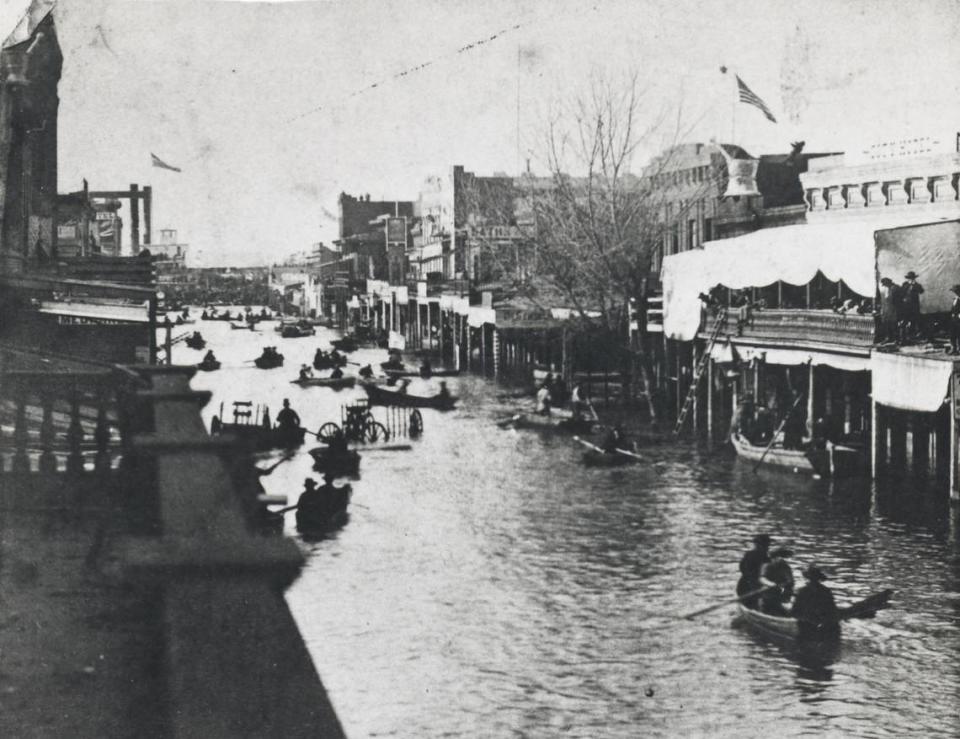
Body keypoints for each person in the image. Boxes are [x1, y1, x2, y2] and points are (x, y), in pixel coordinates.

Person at [791, 565, 839, 637]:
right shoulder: (826, 590)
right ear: (819, 578)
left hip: (808, 624)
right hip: (825, 622)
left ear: (808, 578)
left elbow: (794, 611)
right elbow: (832, 609)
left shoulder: (803, 591)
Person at [736, 534, 772, 608]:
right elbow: (744, 570)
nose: (767, 548)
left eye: (768, 546)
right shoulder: (760, 556)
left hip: (754, 585)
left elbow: (742, 568)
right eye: (766, 546)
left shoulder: (764, 557)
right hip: (746, 586)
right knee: (753, 602)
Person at [759, 548, 795, 616]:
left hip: (782, 595)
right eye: (779, 557)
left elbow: (791, 581)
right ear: (774, 558)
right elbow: (762, 578)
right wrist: (771, 584)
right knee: (768, 607)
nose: (782, 559)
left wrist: (787, 585)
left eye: (782, 557)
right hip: (768, 594)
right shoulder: (767, 566)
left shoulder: (785, 566)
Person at [899, 270, 924, 343]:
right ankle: (904, 338)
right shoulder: (905, 284)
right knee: (905, 321)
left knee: (914, 321)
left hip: (914, 306)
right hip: (906, 306)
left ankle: (912, 336)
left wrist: (915, 285)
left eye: (912, 278)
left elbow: (921, 291)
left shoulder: (917, 285)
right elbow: (902, 293)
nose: (911, 279)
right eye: (909, 278)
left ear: (914, 278)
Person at [878, 277, 899, 344]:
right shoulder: (887, 289)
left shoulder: (895, 288)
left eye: (885, 285)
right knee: (887, 324)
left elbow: (896, 301)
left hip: (893, 310)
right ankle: (889, 338)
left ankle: (895, 339)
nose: (885, 286)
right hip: (887, 310)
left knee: (893, 324)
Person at [949, 284, 960, 355]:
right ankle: (953, 348)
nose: (954, 293)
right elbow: (953, 309)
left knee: (959, 334)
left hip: (959, 319)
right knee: (952, 334)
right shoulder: (955, 299)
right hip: (953, 319)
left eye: (955, 291)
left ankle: (959, 349)